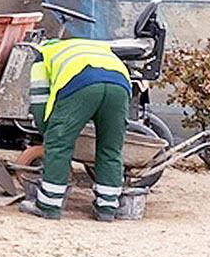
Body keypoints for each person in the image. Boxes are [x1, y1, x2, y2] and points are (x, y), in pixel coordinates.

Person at [24, 37, 133, 221]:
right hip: (120, 86)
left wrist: (48, 133)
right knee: (111, 147)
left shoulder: (43, 56)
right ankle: (107, 207)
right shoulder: (92, 46)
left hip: (82, 83)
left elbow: (39, 101)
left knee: (59, 145)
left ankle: (49, 205)